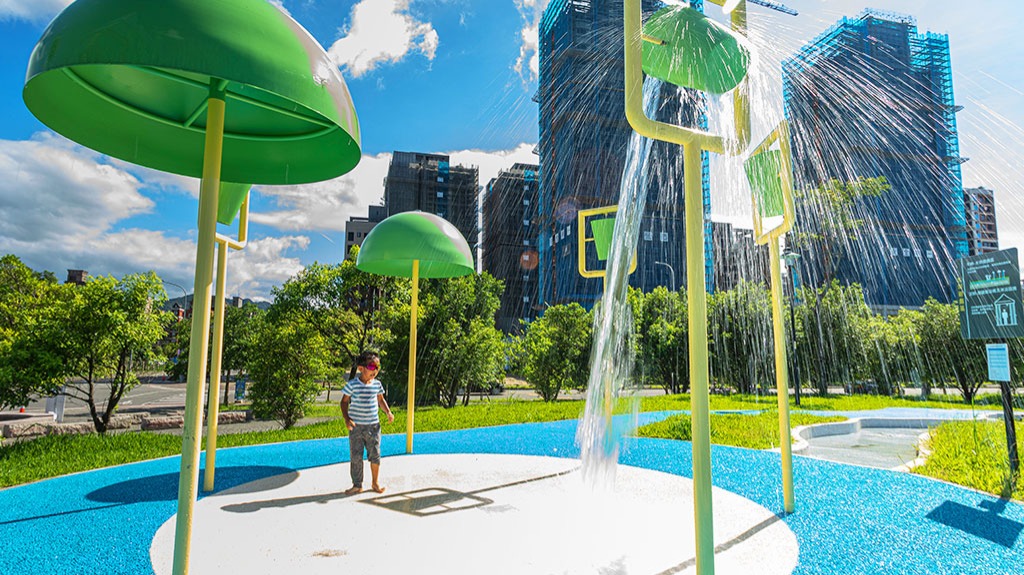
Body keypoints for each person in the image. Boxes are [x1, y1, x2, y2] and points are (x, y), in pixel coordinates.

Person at [341, 351, 394, 495]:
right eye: (371, 366)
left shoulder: (377, 384)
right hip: (356, 427)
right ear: (361, 368)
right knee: (356, 456)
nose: (375, 370)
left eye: (377, 367)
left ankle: (375, 483)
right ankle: (357, 485)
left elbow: (380, 400)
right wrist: (347, 418)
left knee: (375, 454)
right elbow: (344, 402)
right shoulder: (353, 385)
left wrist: (388, 412)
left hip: (373, 427)